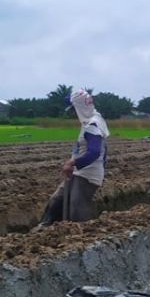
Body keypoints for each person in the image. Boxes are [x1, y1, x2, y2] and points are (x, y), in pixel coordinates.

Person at [39, 89, 110, 225]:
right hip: (79, 171)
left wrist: (73, 163)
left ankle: (81, 236)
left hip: (88, 175)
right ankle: (45, 227)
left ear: (80, 107)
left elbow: (94, 152)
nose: (72, 113)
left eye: (73, 109)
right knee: (57, 199)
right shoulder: (93, 117)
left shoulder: (92, 125)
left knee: (77, 208)